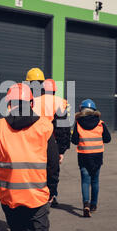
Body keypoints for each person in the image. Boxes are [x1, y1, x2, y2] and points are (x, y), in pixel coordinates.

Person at [0, 83, 60, 231]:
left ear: (9, 104)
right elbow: (53, 164)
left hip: (10, 195)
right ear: (32, 103)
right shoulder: (45, 126)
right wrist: (52, 189)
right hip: (38, 195)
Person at [32, 78, 71, 207]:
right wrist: (62, 150)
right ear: (54, 90)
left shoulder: (34, 102)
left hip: (36, 140)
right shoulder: (60, 102)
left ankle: (38, 194)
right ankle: (51, 195)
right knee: (53, 169)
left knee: (37, 170)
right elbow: (63, 129)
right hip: (52, 141)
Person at [71, 99, 111, 217]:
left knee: (85, 181)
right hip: (97, 156)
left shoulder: (78, 123)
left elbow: (74, 141)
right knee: (95, 181)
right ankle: (93, 205)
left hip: (84, 156)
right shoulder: (100, 123)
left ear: (81, 110)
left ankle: (86, 204)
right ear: (94, 110)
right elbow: (108, 139)